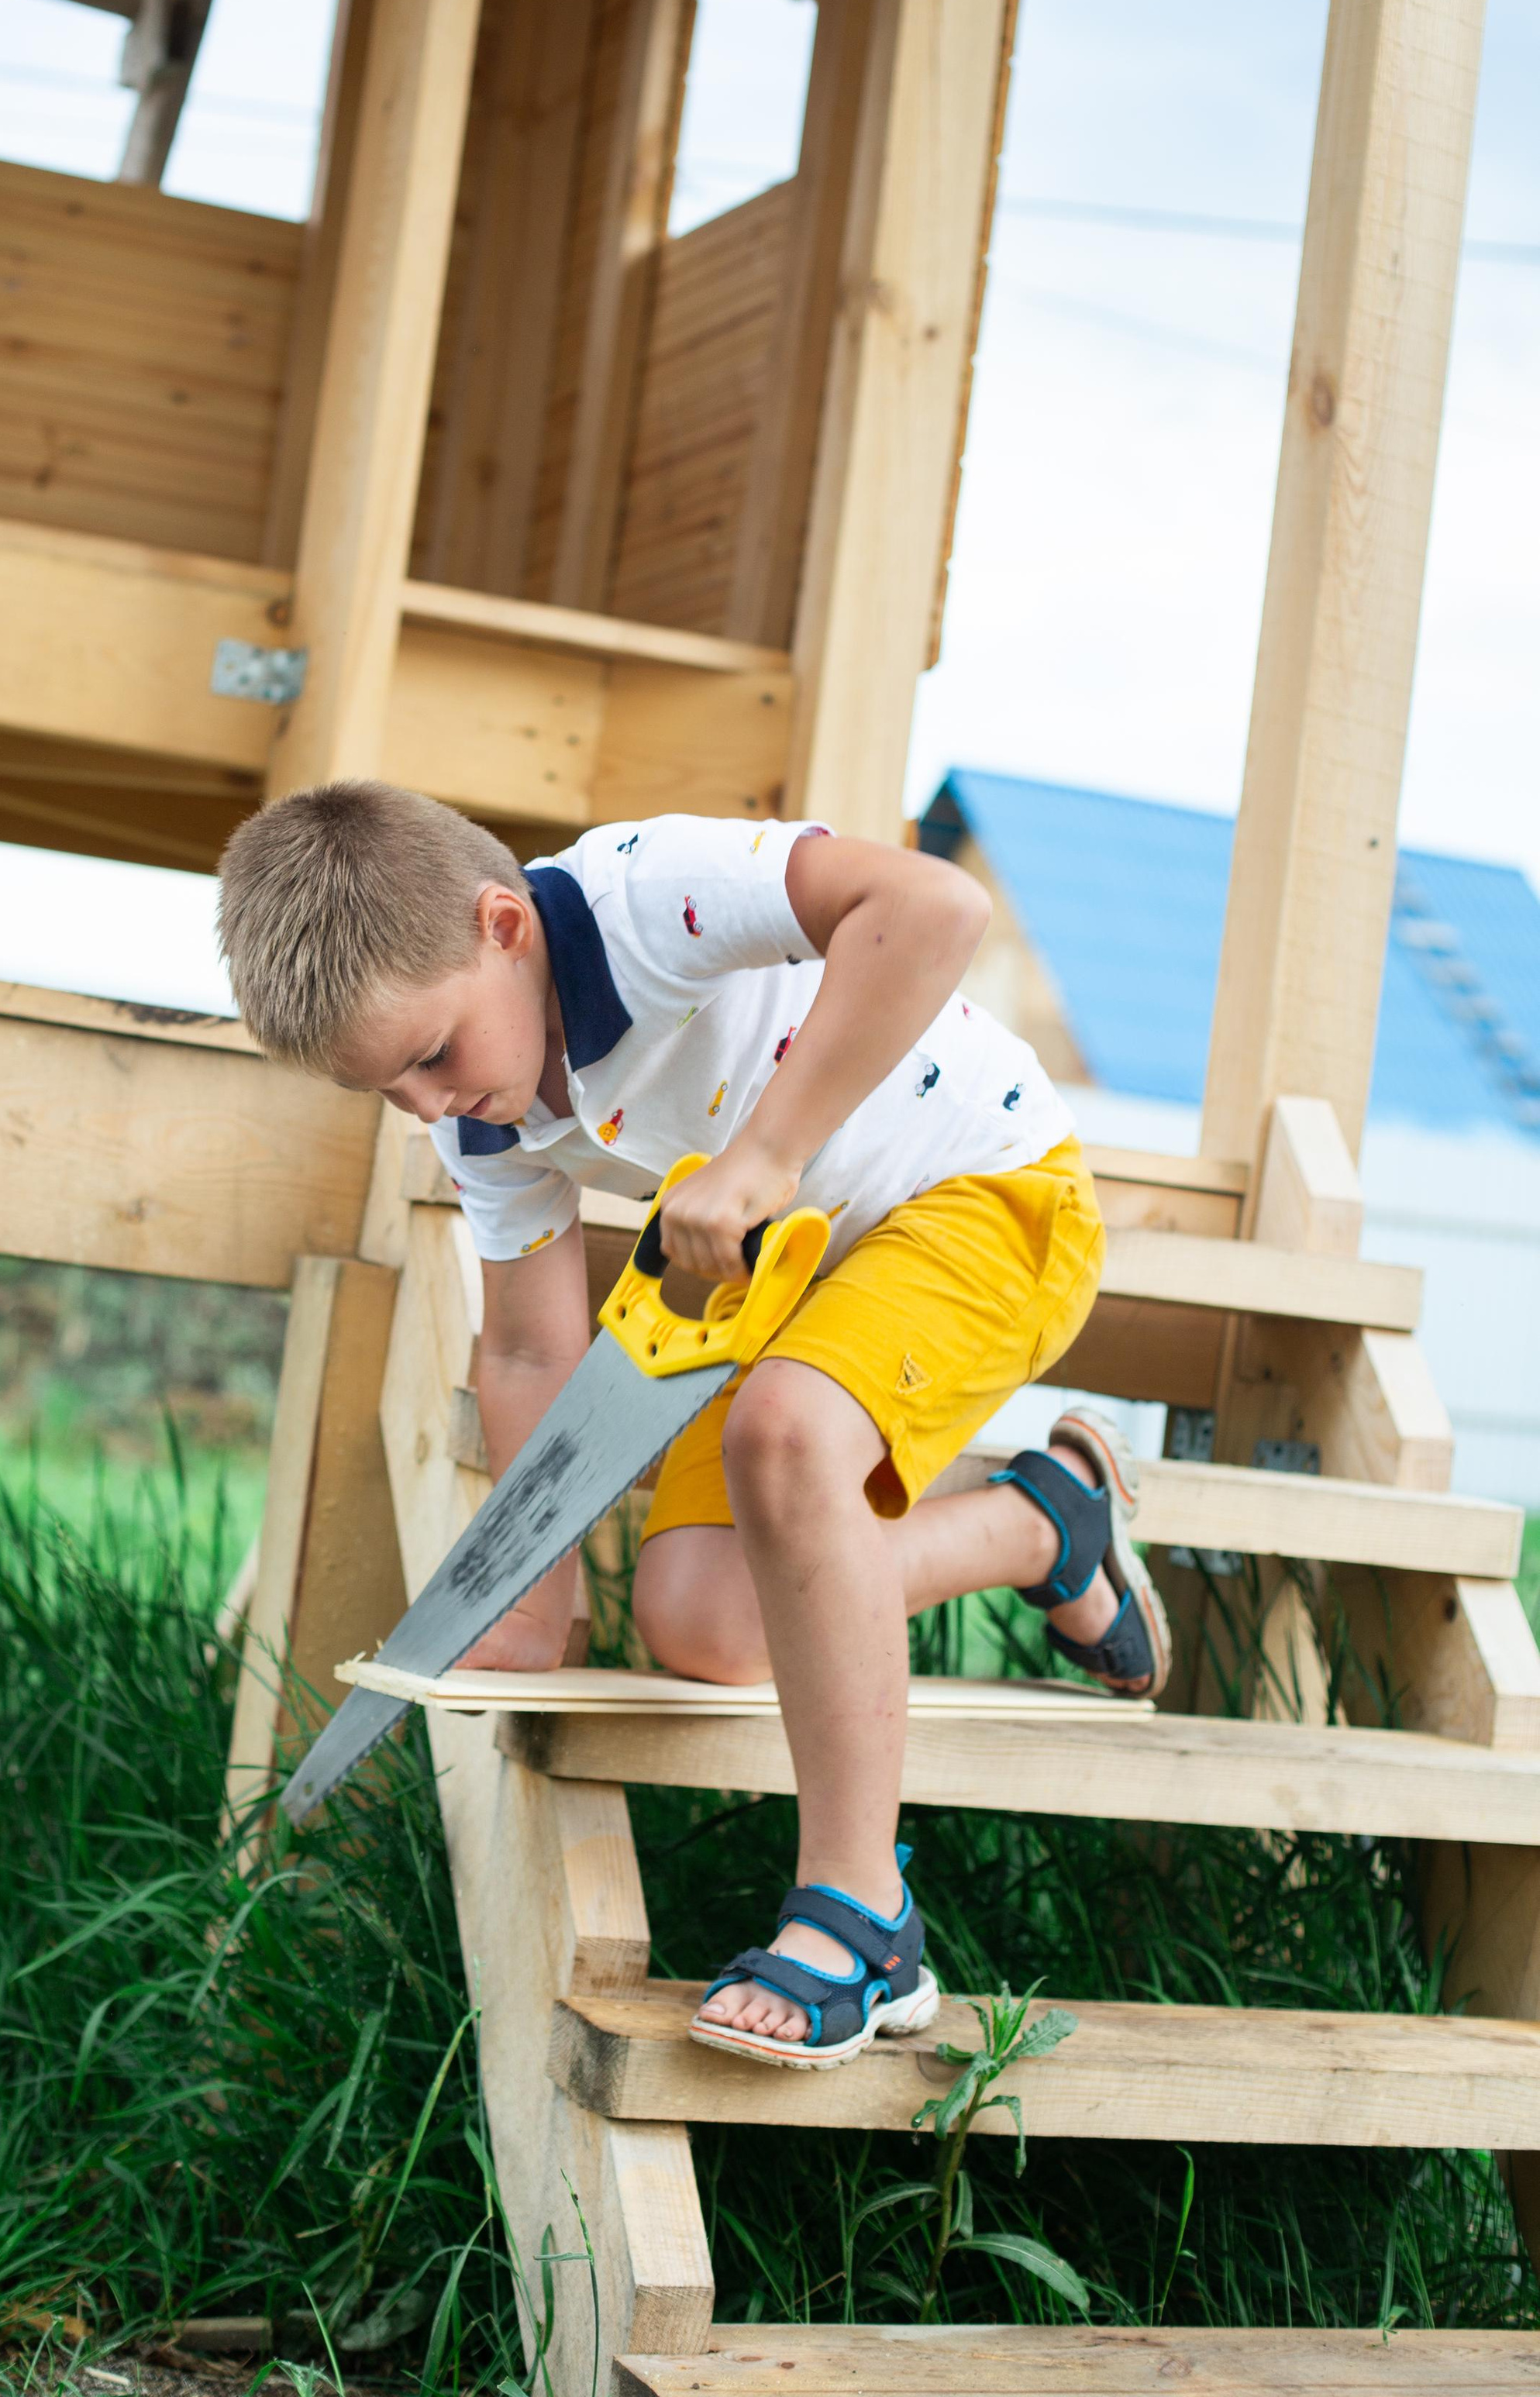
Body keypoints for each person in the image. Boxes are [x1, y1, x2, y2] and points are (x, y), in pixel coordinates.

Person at [219, 782, 1168, 2071]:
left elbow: (934, 905)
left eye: (431, 1056)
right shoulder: (489, 1121)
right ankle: (1042, 1525)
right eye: (386, 1090)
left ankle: (863, 1916)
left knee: (784, 1431)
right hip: (795, 1275)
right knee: (707, 1627)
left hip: (979, 1193)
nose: (426, 1108)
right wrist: (531, 1606)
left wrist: (765, 1156)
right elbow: (531, 1347)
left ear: (503, 925)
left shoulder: (645, 892)